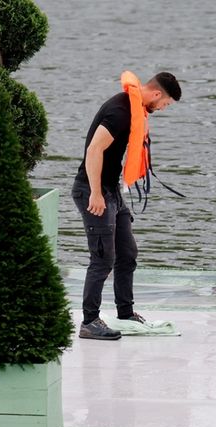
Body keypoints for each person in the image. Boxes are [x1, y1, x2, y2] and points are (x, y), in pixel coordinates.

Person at [72, 71, 181, 340]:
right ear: (156, 94)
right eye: (165, 104)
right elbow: (94, 150)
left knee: (127, 253)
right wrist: (95, 194)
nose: (162, 109)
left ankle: (125, 312)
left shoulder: (133, 109)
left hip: (111, 191)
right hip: (93, 190)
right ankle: (89, 321)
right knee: (102, 259)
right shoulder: (119, 111)